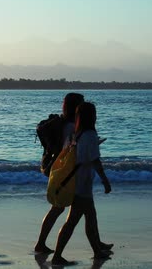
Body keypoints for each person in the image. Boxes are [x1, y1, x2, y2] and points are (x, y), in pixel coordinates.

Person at [34, 94, 112, 254]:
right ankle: (44, 246)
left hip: (64, 171)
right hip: (70, 174)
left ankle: (96, 244)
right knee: (63, 211)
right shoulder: (71, 127)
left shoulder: (66, 124)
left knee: (83, 212)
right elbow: (72, 149)